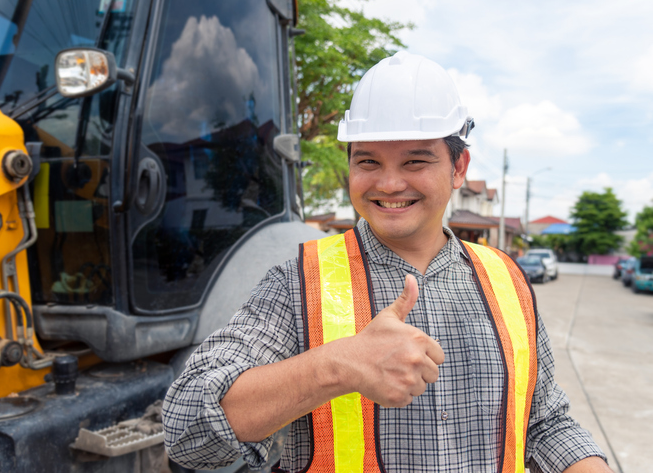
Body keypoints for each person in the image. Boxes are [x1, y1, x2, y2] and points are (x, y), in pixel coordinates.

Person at [162, 52, 611, 473]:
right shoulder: (299, 282)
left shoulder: (507, 280)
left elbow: (545, 423)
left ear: (458, 168)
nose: (390, 183)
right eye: (369, 161)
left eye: (415, 160)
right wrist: (336, 365)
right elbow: (185, 430)